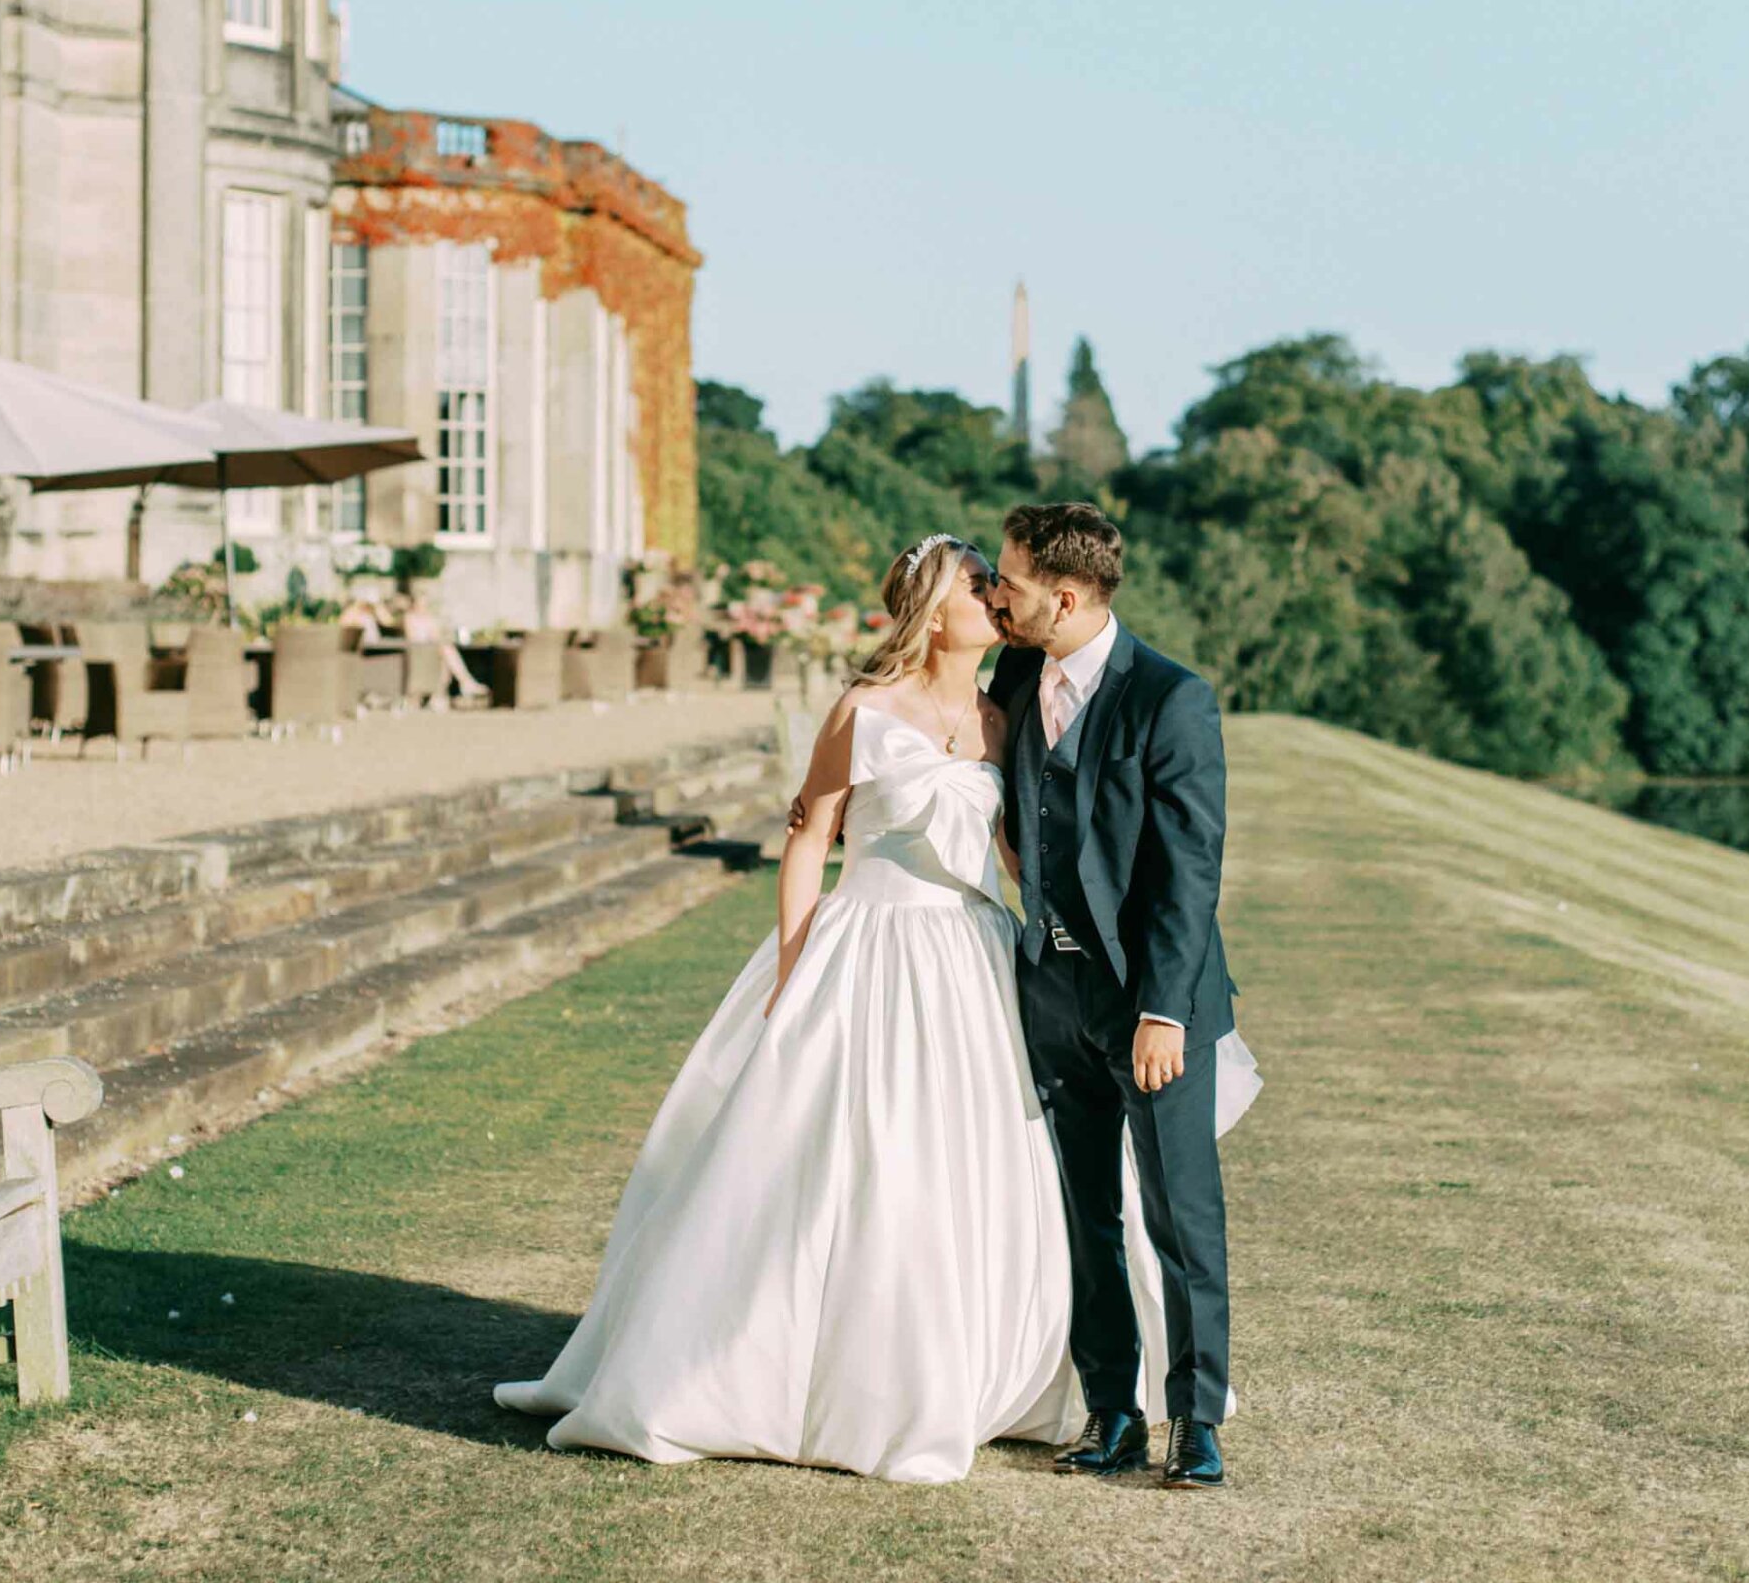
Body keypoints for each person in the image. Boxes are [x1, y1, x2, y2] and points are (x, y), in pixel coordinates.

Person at [493, 531, 1257, 1485]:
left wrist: (1141, 990)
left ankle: (1151, 1411)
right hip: (883, 950)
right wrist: (793, 961)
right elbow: (812, 830)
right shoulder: (892, 706)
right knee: (890, 1167)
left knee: (1076, 1190)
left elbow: (1070, 857)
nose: (996, 600)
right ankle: (837, 1368)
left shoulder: (1025, 707)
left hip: (996, 967)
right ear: (935, 611)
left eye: (1003, 585)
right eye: (980, 588)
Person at [987, 502, 1243, 1490]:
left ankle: (1198, 1420)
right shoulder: (1013, 671)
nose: (995, 594)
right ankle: (1111, 1411)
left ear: (1065, 593)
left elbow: (1190, 871)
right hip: (1048, 989)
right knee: (1084, 1211)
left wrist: (1165, 1010)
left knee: (1180, 1213)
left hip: (1151, 1006)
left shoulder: (1171, 697)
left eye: (1008, 579)